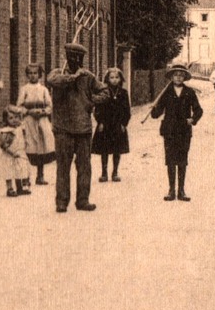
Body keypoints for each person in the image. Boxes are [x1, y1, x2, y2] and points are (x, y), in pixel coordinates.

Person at [47, 42, 106, 213]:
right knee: (63, 166)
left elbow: (105, 92)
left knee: (84, 166)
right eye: (72, 57)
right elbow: (53, 82)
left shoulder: (88, 76)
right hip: (62, 128)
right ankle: (62, 201)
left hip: (83, 129)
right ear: (67, 57)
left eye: (79, 58)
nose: (76, 61)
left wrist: (91, 101)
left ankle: (83, 200)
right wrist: (73, 77)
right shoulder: (57, 73)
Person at [151, 65, 203, 201]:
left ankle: (181, 191)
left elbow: (198, 110)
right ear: (172, 77)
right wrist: (154, 109)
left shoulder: (189, 92)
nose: (178, 77)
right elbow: (157, 113)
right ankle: (171, 190)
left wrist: (193, 119)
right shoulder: (166, 92)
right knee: (170, 160)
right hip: (169, 131)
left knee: (182, 160)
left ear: (185, 77)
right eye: (176, 75)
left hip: (184, 131)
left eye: (181, 75)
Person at [17, 63, 55, 186]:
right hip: (29, 121)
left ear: (39, 75)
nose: (33, 76)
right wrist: (29, 111)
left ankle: (40, 175)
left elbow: (50, 106)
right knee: (28, 147)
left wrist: (43, 111)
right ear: (27, 75)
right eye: (30, 73)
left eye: (35, 73)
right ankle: (26, 177)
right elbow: (19, 106)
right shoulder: (24, 89)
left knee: (41, 148)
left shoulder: (43, 89)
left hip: (42, 121)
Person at [92, 67, 132, 182]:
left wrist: (124, 123)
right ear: (107, 79)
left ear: (120, 79)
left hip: (118, 125)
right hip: (105, 124)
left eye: (117, 77)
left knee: (117, 149)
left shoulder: (123, 93)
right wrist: (100, 122)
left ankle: (115, 172)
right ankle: (104, 173)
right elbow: (98, 109)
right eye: (111, 78)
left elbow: (127, 110)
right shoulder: (104, 92)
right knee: (104, 150)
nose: (114, 80)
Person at [0, 105, 31, 197]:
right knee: (9, 171)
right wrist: (12, 152)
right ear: (6, 119)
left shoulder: (20, 129)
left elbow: (23, 139)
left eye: (16, 117)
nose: (14, 120)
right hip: (10, 155)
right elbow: (3, 145)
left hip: (19, 153)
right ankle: (9, 188)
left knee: (19, 170)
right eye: (11, 118)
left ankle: (19, 188)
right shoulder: (7, 131)